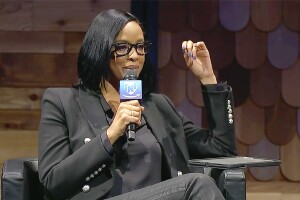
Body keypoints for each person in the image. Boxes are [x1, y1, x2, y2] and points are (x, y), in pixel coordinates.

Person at [38, 9, 236, 200]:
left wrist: (208, 78)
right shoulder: (63, 102)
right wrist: (110, 135)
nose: (134, 55)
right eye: (123, 47)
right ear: (100, 50)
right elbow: (52, 181)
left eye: (140, 46)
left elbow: (221, 148)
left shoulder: (158, 106)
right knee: (198, 185)